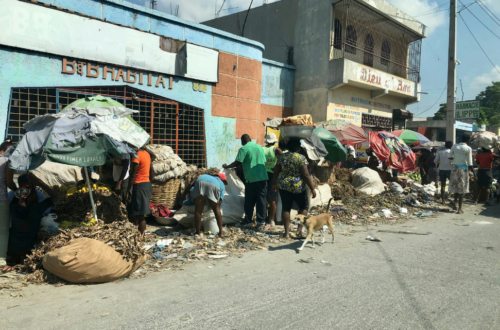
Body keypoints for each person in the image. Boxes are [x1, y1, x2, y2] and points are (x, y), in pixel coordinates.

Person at [2, 174, 58, 271]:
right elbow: (56, 196)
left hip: (12, 254)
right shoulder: (37, 208)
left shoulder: (13, 207)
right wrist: (41, 184)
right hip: (27, 253)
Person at [272, 139, 316, 238]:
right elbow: (305, 174)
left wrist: (274, 183)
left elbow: (276, 171)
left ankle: (286, 233)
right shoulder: (301, 158)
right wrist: (312, 188)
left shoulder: (281, 157)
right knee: (303, 208)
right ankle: (299, 231)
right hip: (298, 187)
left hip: (284, 186)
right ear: (298, 148)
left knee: (286, 208)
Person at [223, 134, 268, 227]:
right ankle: (261, 221)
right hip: (262, 177)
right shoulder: (259, 147)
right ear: (250, 139)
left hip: (251, 178)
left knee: (249, 200)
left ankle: (248, 221)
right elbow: (264, 162)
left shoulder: (243, 149)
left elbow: (237, 162)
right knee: (261, 200)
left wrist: (227, 166)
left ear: (242, 141)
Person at [187, 173, 228, 237]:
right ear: (223, 180)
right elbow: (219, 202)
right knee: (216, 209)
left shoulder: (205, 176)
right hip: (214, 185)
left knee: (198, 210)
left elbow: (191, 185)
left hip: (199, 182)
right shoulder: (221, 183)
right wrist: (214, 206)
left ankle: (198, 232)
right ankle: (221, 233)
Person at [126, 148, 156, 234]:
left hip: (139, 185)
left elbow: (132, 175)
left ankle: (141, 236)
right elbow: (152, 171)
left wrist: (128, 190)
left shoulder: (137, 156)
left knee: (140, 215)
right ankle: (138, 233)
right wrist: (149, 181)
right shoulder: (146, 154)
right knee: (137, 211)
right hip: (146, 184)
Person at [449, 134, 473, 214]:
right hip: (463, 169)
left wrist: (456, 159)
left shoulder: (454, 146)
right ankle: (459, 209)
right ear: (468, 140)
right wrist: (472, 171)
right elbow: (470, 162)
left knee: (456, 186)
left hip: (454, 168)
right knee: (461, 189)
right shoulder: (468, 148)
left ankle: (455, 203)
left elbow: (450, 156)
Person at [0, 141, 15, 268]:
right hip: (1, 199)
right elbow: (9, 182)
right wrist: (17, 191)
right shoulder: (6, 162)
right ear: (5, 150)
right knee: (3, 231)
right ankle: (1, 261)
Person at [263, 133, 283, 226]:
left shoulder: (262, 149)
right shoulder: (276, 149)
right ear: (274, 141)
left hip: (262, 175)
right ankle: (271, 219)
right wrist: (277, 168)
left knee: (264, 198)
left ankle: (264, 218)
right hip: (273, 176)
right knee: (272, 199)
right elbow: (284, 158)